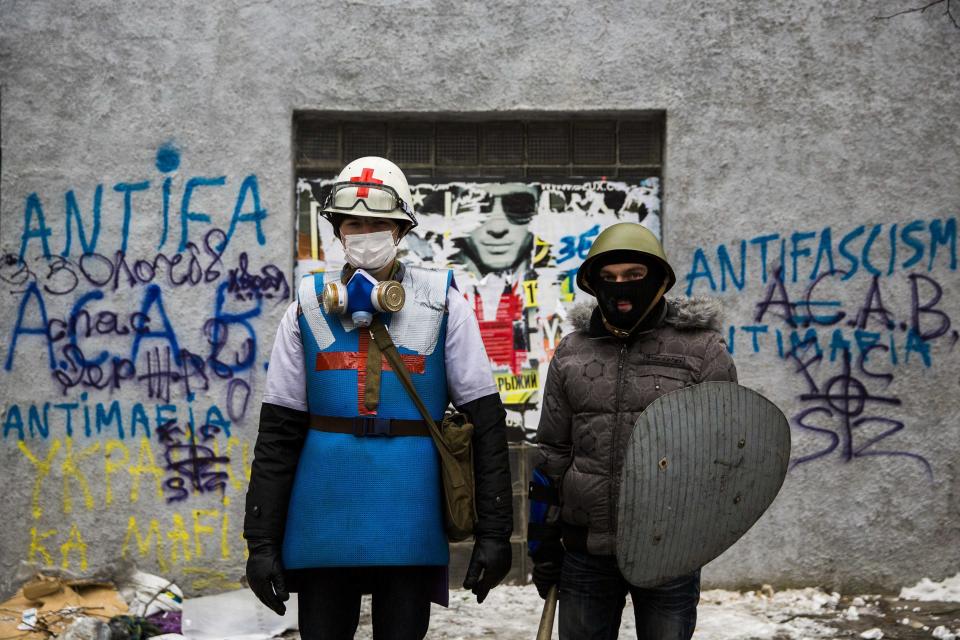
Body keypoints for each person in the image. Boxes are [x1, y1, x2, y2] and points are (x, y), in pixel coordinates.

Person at [244, 156, 514, 640]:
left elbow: (486, 423)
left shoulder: (443, 301)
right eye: (354, 223)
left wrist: (495, 533)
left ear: (401, 229)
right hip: (322, 512)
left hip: (409, 511)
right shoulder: (306, 307)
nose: (365, 232)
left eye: (378, 223)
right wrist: (261, 540)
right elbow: (278, 434)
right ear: (337, 229)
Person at [529, 222, 737, 640]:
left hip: (668, 551)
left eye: (633, 276)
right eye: (608, 279)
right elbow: (552, 451)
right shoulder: (573, 352)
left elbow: (726, 450)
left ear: (658, 279)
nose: (620, 288)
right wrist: (544, 541)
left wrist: (698, 530)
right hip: (586, 550)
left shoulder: (701, 351)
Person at [453, 182, 537, 276]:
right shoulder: (440, 280)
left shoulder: (551, 279)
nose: (497, 229)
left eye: (519, 208)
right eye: (475, 208)